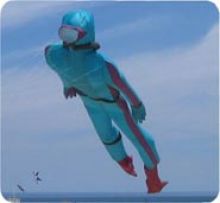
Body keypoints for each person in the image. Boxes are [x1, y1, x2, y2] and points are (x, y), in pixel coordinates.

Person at [44, 10, 167, 193]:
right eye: (63, 33)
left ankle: (152, 179)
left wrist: (136, 105)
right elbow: (63, 71)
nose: (67, 39)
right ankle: (130, 165)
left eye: (71, 34)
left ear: (84, 34)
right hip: (94, 104)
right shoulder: (62, 55)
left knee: (139, 138)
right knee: (109, 138)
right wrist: (67, 84)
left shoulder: (58, 55)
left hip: (111, 105)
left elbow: (124, 86)